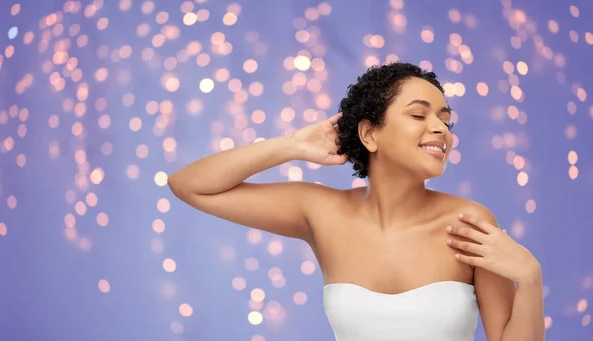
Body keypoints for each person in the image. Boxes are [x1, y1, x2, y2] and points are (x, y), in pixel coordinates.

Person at [167, 62, 544, 341]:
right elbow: (190, 185)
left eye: (446, 120)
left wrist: (529, 277)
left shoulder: (470, 223)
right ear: (369, 134)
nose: (440, 129)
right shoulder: (321, 212)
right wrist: (290, 146)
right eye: (418, 114)